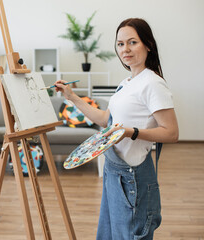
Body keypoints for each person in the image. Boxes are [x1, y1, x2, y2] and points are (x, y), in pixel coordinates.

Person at [55, 18, 179, 240]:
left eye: (132, 42)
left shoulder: (153, 83)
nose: (125, 49)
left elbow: (171, 132)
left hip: (132, 176)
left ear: (148, 44)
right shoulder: (127, 82)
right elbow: (106, 120)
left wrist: (132, 132)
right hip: (114, 171)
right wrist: (72, 97)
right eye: (120, 44)